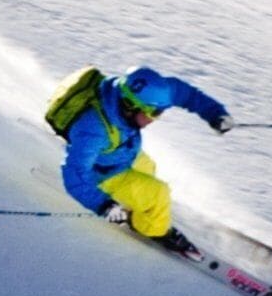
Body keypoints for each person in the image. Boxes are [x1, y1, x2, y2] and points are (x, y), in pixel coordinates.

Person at [47, 65, 229, 249]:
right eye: (154, 113)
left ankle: (143, 207)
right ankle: (153, 229)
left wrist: (215, 114)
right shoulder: (93, 130)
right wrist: (103, 205)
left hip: (121, 154)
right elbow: (74, 174)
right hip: (102, 175)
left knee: (148, 166)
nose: (156, 118)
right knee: (159, 194)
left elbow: (186, 94)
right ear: (130, 107)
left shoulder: (142, 94)